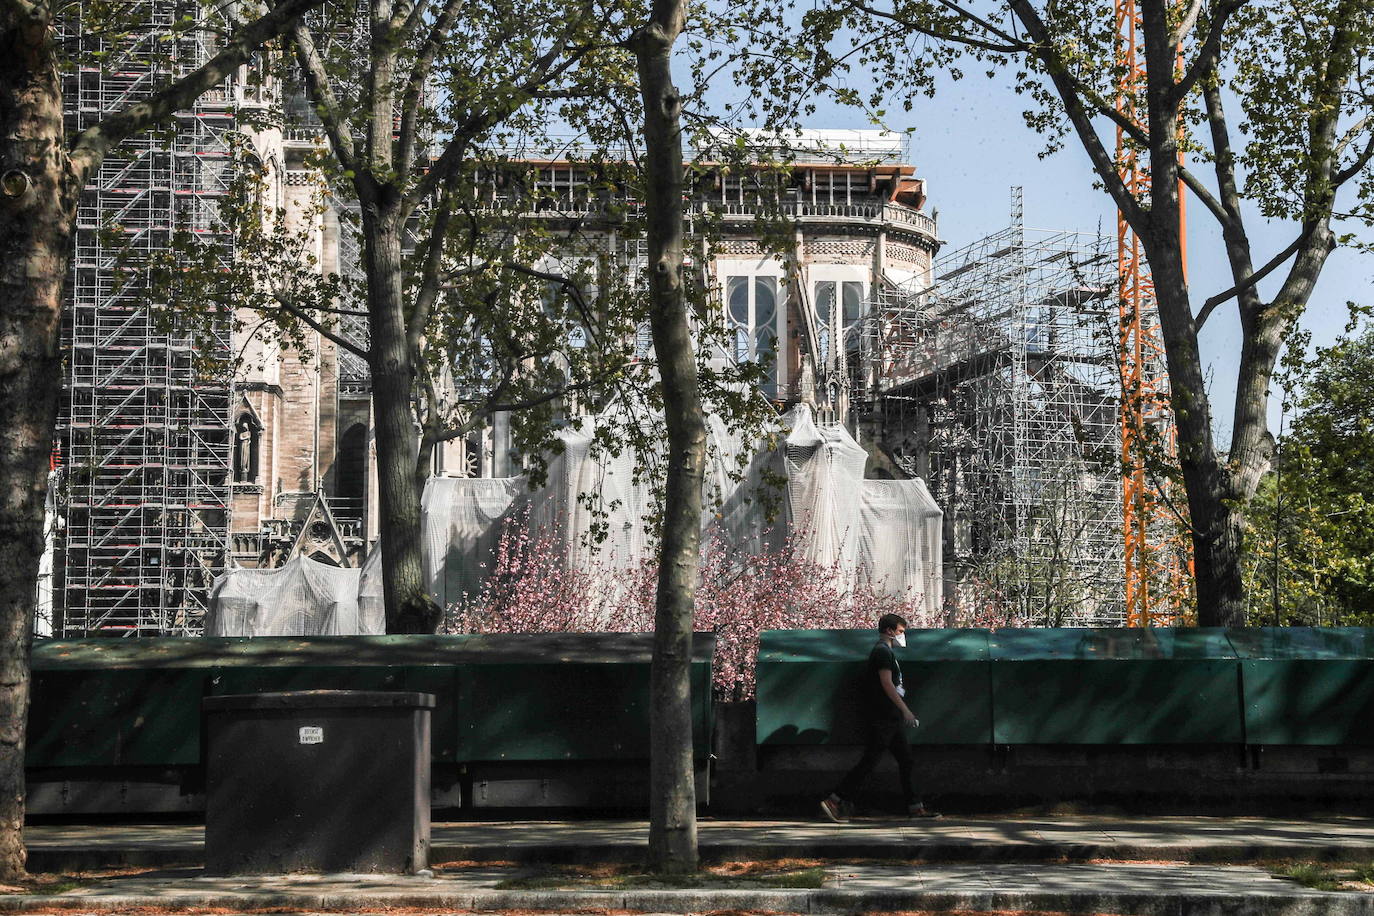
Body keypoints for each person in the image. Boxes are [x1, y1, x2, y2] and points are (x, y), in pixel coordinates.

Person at [819, 613, 939, 822]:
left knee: (904, 760)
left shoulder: (885, 652)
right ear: (889, 631)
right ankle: (835, 799)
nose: (903, 635)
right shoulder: (882, 653)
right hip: (885, 716)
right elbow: (887, 684)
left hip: (888, 716)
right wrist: (905, 710)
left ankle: (915, 807)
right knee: (872, 760)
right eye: (901, 631)